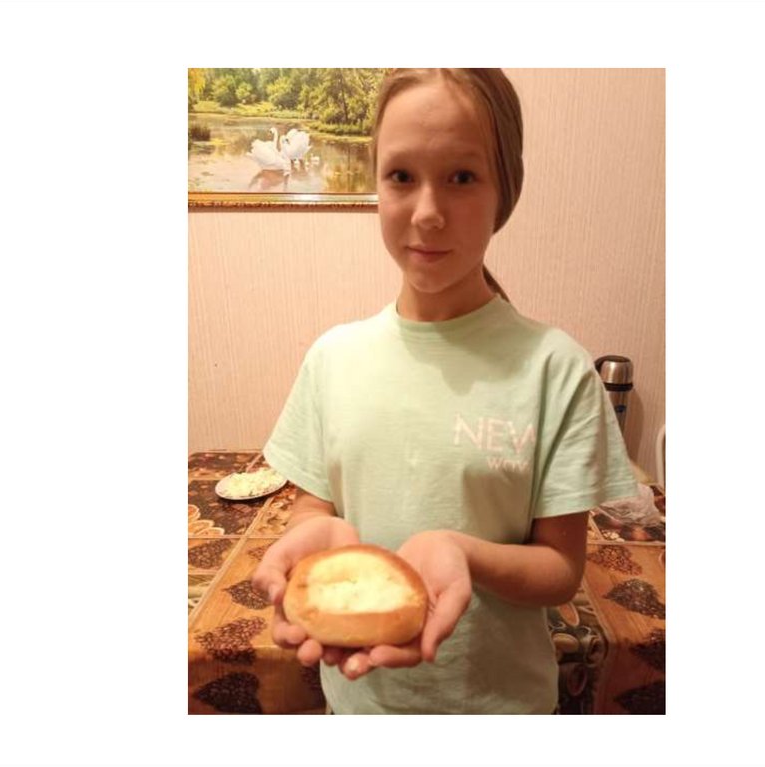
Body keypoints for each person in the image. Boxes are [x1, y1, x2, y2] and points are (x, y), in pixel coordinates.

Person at [251, 68, 636, 714]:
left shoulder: (555, 370)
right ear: (376, 185)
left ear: (504, 190)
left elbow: (560, 569)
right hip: (361, 704)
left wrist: (463, 552)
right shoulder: (333, 359)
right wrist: (319, 533)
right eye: (401, 176)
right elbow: (314, 506)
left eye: (461, 177)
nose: (427, 213)